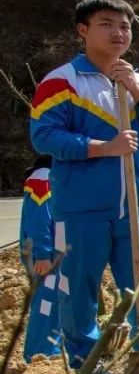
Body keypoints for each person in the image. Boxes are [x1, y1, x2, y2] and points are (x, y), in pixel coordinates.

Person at [30, 0, 139, 374]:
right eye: (107, 24)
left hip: (135, 206)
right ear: (83, 30)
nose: (118, 33)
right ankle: (86, 363)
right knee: (79, 289)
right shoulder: (61, 82)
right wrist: (102, 147)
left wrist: (135, 88)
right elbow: (44, 136)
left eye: (126, 26)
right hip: (80, 209)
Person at [19, 155, 62, 363]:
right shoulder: (42, 179)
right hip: (46, 259)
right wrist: (43, 254)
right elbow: (39, 221)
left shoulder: (47, 177)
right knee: (45, 303)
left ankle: (52, 345)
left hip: (55, 256)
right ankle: (38, 349)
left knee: (55, 302)